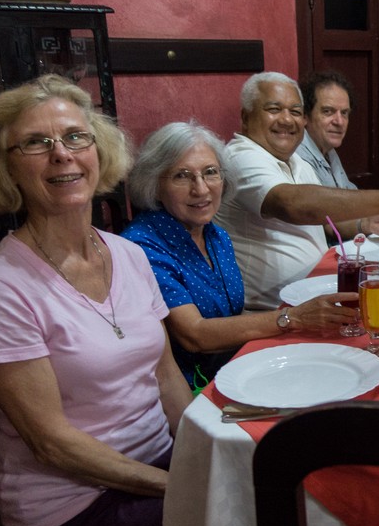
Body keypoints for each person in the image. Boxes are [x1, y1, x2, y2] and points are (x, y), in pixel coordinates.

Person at [0, 75, 193, 526]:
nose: (61, 154)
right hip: (74, 507)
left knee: (289, 487)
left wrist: (205, 453)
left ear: (99, 149)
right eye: (34, 143)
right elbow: (52, 444)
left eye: (74, 136)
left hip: (158, 466)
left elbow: (166, 376)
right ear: (6, 167)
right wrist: (182, 486)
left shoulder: (129, 254)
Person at [122, 121, 358, 392]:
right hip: (185, 391)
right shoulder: (142, 246)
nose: (200, 189)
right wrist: (293, 319)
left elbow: (234, 314)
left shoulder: (215, 235)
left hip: (234, 368)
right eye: (181, 176)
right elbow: (195, 335)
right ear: (154, 183)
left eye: (210, 173)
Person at [215, 72, 379, 310]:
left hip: (315, 291)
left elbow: (323, 221)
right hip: (274, 312)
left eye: (295, 111)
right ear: (246, 117)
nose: (287, 120)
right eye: (274, 109)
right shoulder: (240, 156)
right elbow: (291, 204)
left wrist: (369, 221)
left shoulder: (294, 161)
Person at [297, 70, 357, 190]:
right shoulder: (298, 158)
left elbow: (350, 193)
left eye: (344, 113)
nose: (339, 122)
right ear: (305, 116)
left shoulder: (328, 149)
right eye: (328, 111)